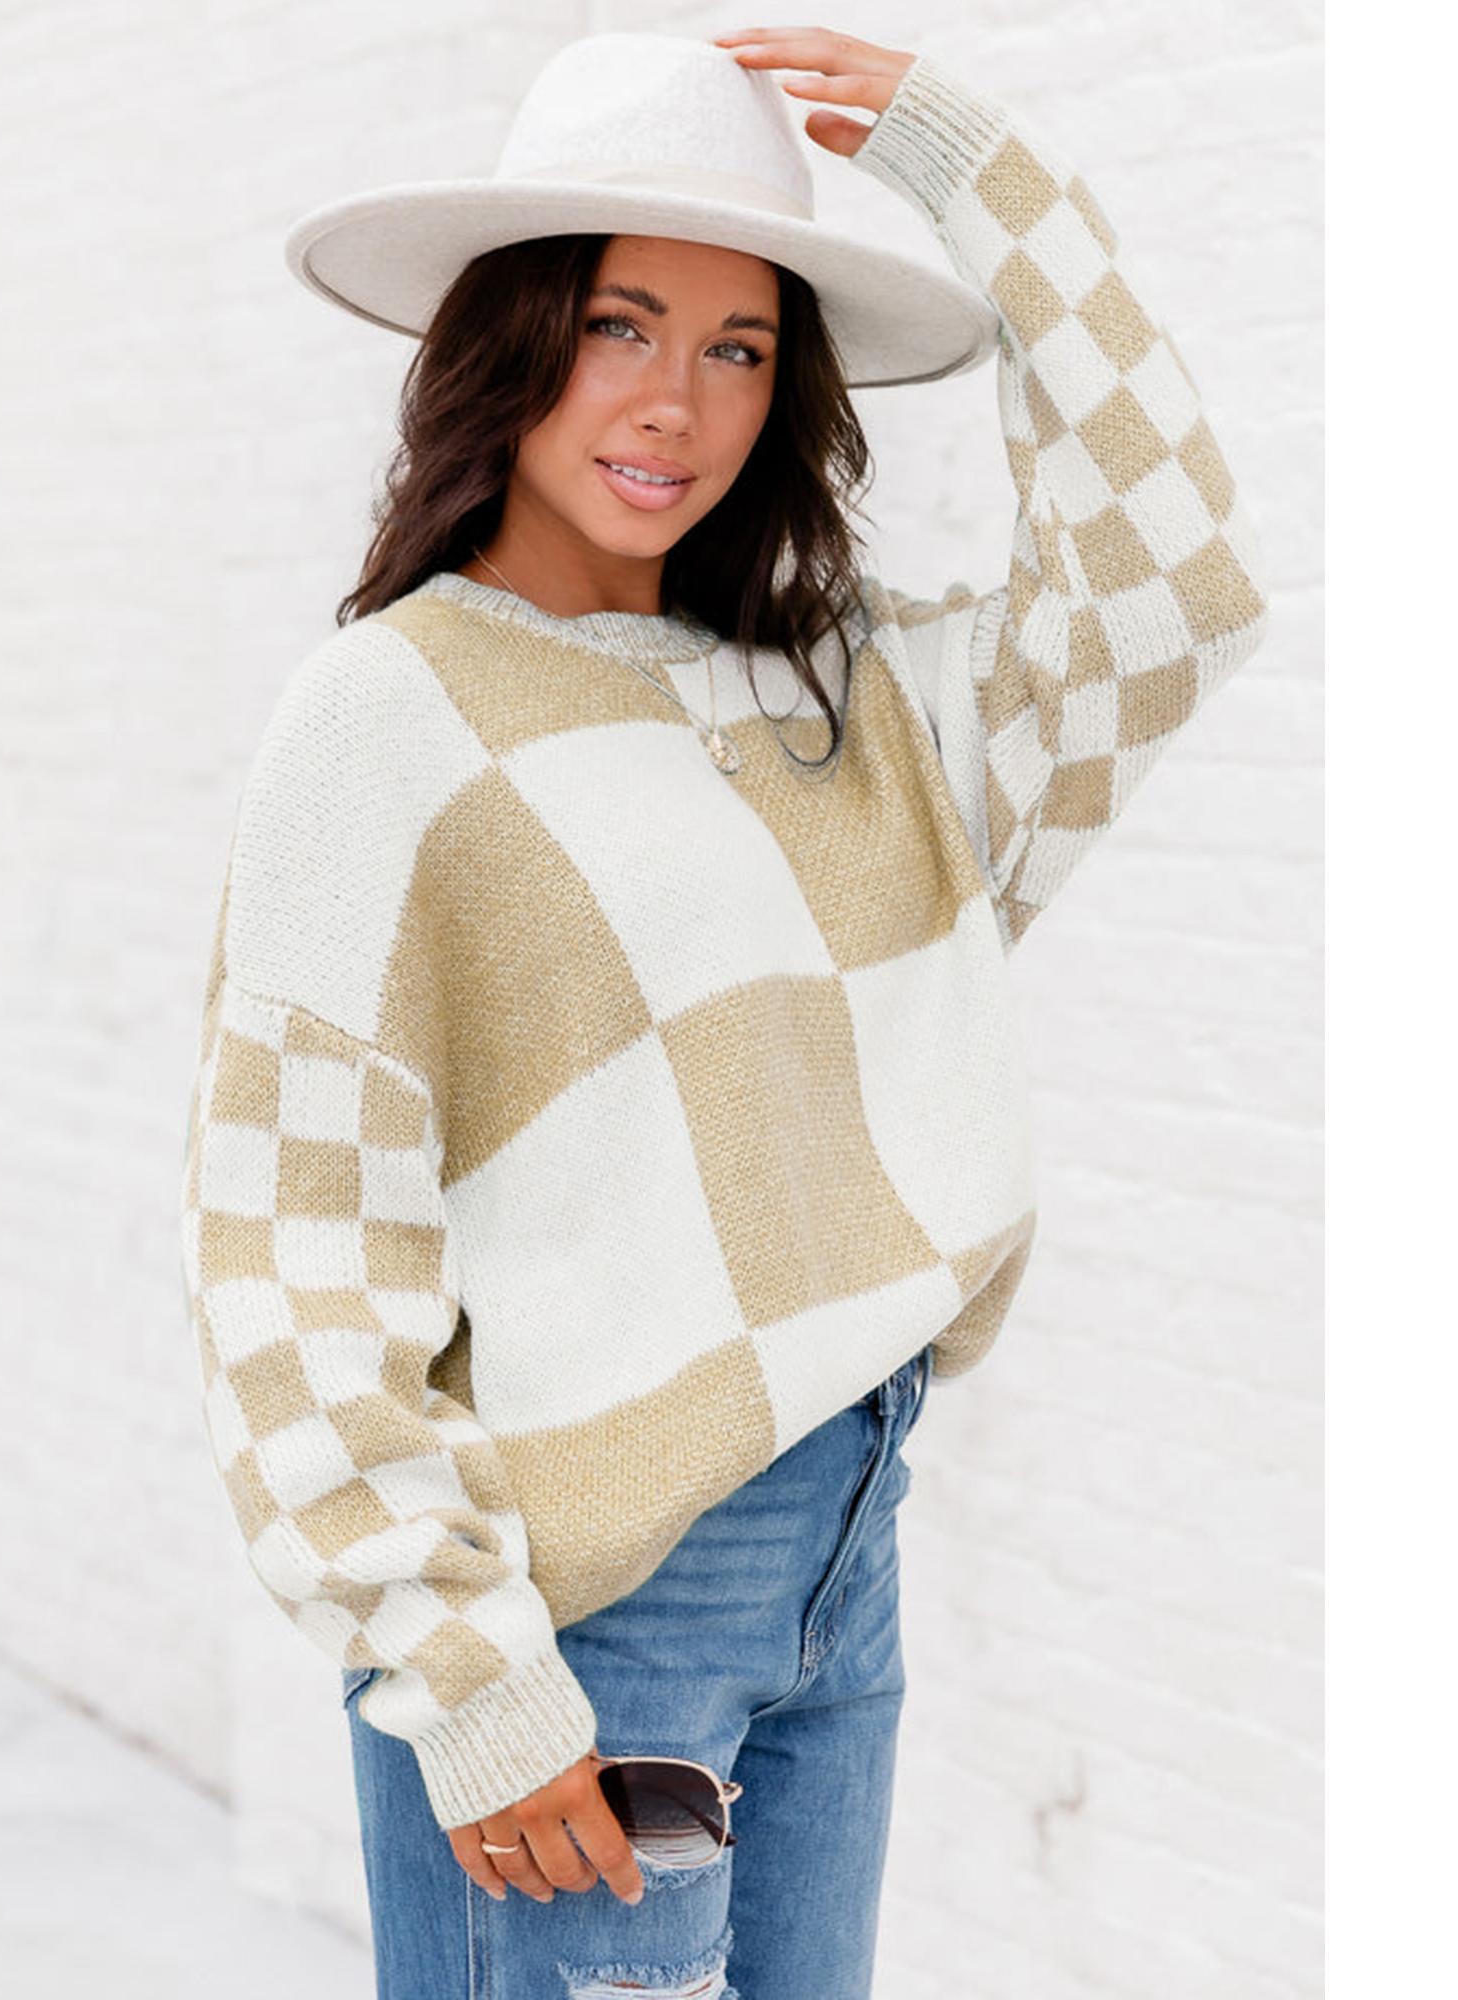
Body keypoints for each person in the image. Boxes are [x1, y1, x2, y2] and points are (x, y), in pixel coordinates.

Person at [178, 24, 1270, 2000]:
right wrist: (466, 1676)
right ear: (509, 338)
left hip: (845, 1540)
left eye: (740, 346)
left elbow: (1168, 583)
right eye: (618, 323)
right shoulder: (385, 719)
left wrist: (976, 173)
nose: (675, 403)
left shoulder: (849, 700)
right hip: (584, 1608)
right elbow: (294, 1256)